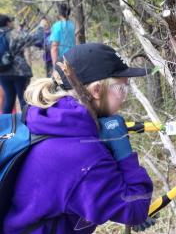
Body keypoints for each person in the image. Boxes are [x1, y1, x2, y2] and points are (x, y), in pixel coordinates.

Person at [2, 43, 155, 233]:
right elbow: (136, 209)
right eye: (122, 89)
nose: (125, 97)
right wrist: (123, 153)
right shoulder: (83, 155)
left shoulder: (47, 118)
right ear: (97, 90)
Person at [0, 14, 42, 113]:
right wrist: (41, 26)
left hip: (2, 72)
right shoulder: (13, 34)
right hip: (19, 72)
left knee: (9, 99)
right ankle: (27, 125)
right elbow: (36, 38)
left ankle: (6, 126)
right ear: (8, 23)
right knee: (24, 99)